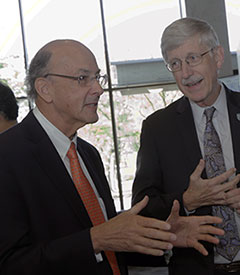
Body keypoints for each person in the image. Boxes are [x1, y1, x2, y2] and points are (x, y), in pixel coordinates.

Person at [0, 39, 224, 275]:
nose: (98, 89)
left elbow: (110, 248)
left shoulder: (87, 154)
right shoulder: (7, 157)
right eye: (82, 79)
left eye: (98, 78)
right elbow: (10, 263)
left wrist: (163, 235)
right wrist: (95, 239)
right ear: (45, 89)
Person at [132, 17, 240, 275]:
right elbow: (143, 206)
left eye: (193, 58)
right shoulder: (157, 128)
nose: (186, 73)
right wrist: (186, 200)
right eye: (175, 64)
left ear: (218, 57)